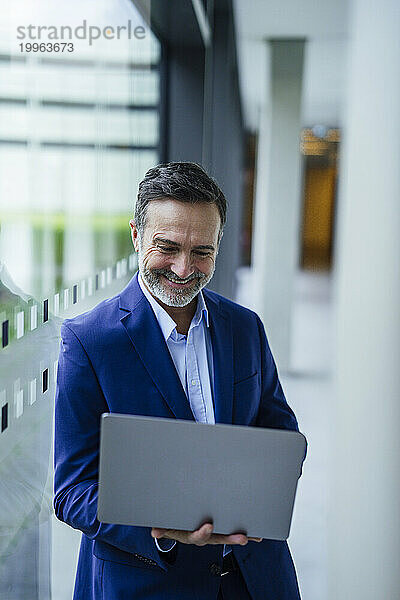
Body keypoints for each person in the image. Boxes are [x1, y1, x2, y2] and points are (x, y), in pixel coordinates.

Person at [54, 162, 306, 600]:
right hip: (146, 583)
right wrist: (159, 529)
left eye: (202, 252)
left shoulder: (245, 328)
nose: (184, 268)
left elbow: (281, 431)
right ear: (136, 236)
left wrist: (267, 488)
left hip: (255, 579)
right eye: (166, 247)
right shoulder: (89, 341)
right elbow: (72, 490)